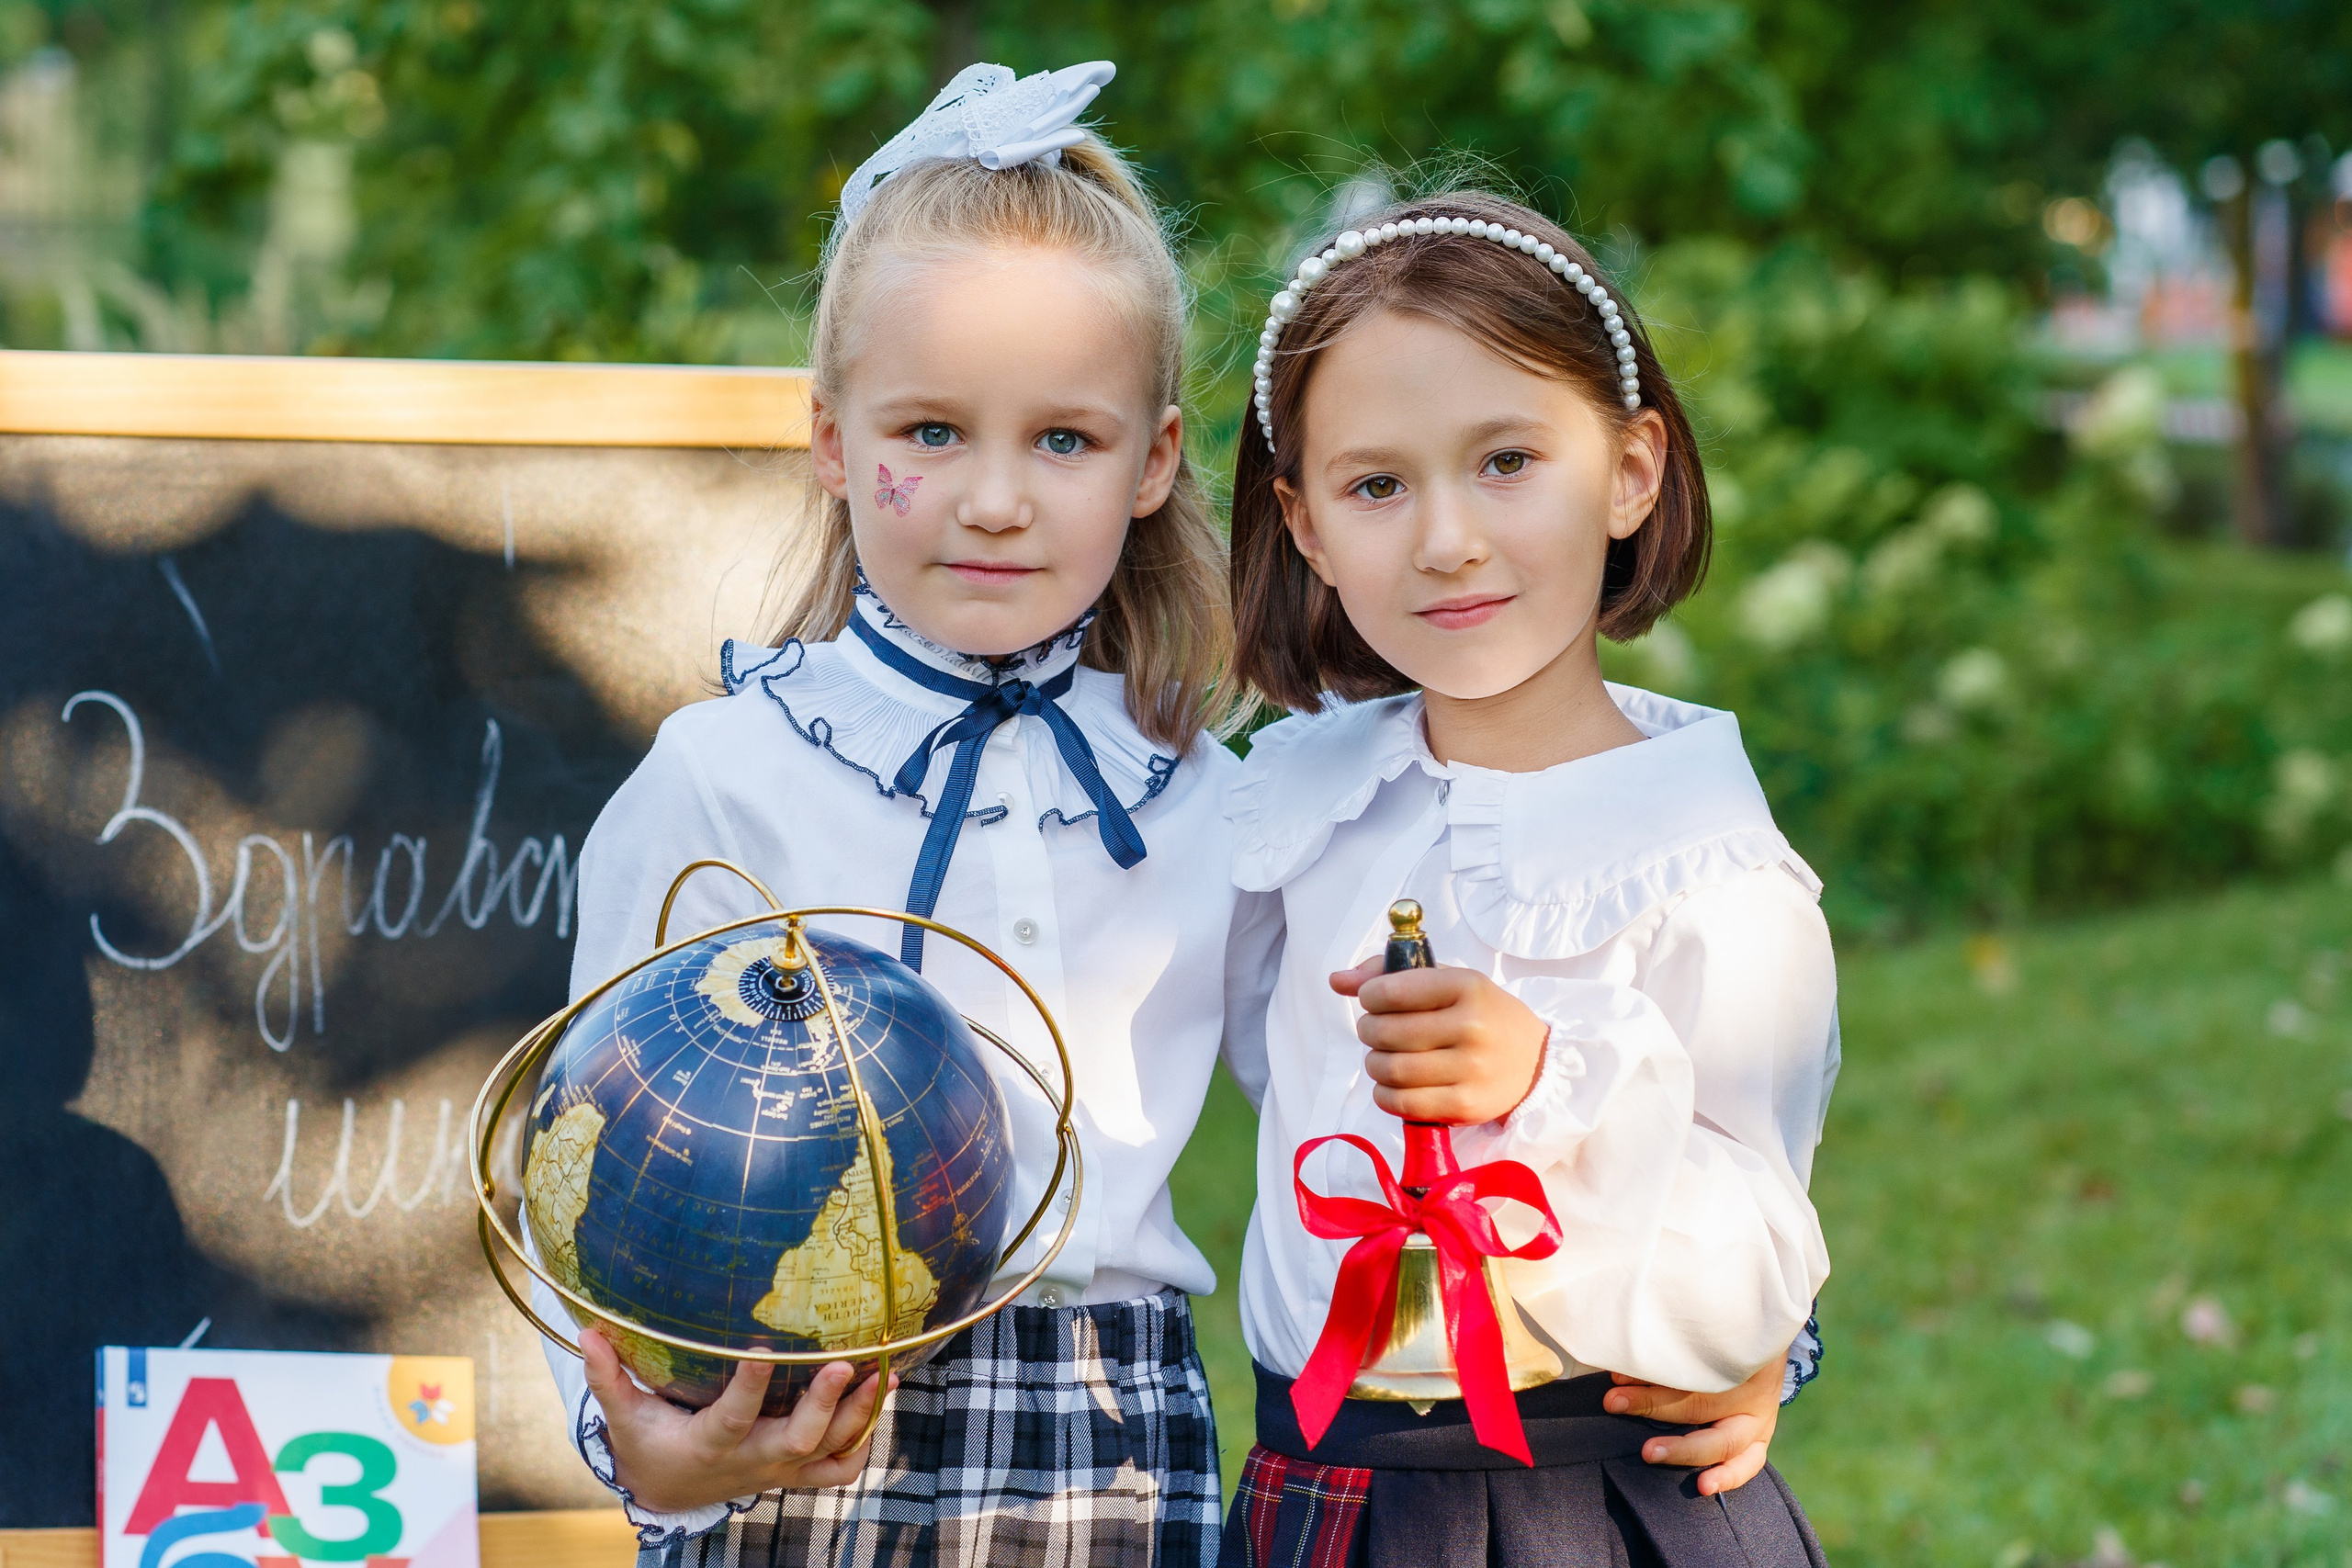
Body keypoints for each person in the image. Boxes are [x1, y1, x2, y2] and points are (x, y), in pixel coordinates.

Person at [529, 61, 1271, 1568]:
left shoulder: (1198, 789)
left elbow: (1347, 1103)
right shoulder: (723, 775)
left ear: (1155, 462)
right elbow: (587, 1143)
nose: (994, 499)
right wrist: (646, 1446)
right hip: (791, 1419)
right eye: (929, 431)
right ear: (827, 439)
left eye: (1063, 439)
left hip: (1113, 1443)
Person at [1216, 191, 1839, 1565]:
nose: (1447, 540)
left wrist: (1550, 1077)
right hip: (1321, 1490)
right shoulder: (1284, 811)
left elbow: (1754, 1258)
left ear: (1631, 470)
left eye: (1507, 459)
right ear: (1305, 524)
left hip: (1596, 1503)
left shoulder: (1711, 871)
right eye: (1377, 484)